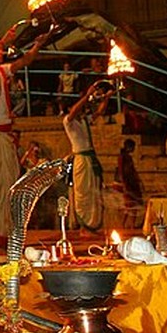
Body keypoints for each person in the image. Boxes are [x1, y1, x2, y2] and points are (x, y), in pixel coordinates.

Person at [0, 24, 48, 247]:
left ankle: (8, 233)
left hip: (5, 137)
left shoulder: (2, 71)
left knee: (11, 184)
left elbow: (25, 61)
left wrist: (39, 44)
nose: (2, 52)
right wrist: (3, 39)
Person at [62, 79, 107, 234]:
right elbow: (74, 111)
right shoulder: (69, 122)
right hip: (80, 159)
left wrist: (108, 96)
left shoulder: (84, 121)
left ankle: (93, 225)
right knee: (82, 193)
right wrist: (87, 95)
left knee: (94, 192)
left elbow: (99, 112)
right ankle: (83, 226)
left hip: (90, 158)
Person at [114, 139, 144, 228]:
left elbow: (133, 170)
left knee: (134, 204)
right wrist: (124, 184)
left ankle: (131, 225)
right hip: (126, 183)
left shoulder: (129, 157)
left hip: (132, 183)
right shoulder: (122, 157)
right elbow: (121, 171)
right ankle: (125, 225)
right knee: (129, 205)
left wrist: (139, 180)